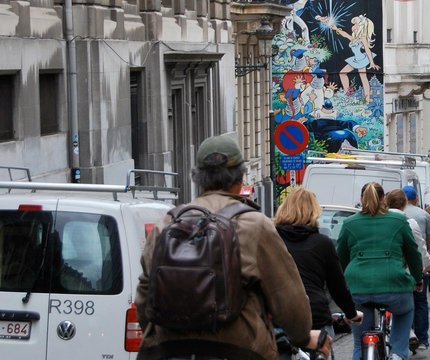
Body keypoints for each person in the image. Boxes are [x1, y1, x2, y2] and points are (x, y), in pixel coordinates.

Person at [135, 134, 330, 360]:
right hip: (239, 350)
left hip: (170, 351)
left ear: (198, 177)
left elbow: (144, 296)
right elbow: (287, 298)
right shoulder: (255, 225)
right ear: (240, 177)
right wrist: (302, 337)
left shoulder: (167, 224)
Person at [337, 182, 423, 360]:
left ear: (361, 199)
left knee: (359, 343)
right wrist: (417, 279)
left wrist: (348, 282)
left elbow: (341, 258)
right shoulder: (399, 221)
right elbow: (413, 254)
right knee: (405, 310)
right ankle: (398, 353)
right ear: (385, 198)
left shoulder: (349, 223)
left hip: (358, 288)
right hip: (394, 285)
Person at [274, 187, 363, 341]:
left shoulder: (271, 240)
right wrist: (352, 313)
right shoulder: (323, 243)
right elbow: (337, 286)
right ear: (314, 211)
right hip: (314, 314)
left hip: (279, 315)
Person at [402, 185, 430, 350]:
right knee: (421, 301)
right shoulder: (423, 215)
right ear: (416, 198)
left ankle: (405, 333)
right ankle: (422, 339)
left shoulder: (388, 216)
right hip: (418, 264)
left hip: (398, 266)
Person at [329, 14, 379, 103]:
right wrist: (336, 29)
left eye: (354, 24)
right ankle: (347, 94)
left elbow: (367, 50)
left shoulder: (362, 38)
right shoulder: (354, 38)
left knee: (363, 78)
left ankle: (367, 100)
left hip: (361, 60)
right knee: (342, 73)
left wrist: (372, 62)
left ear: (358, 26)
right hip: (355, 60)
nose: (352, 26)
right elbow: (345, 35)